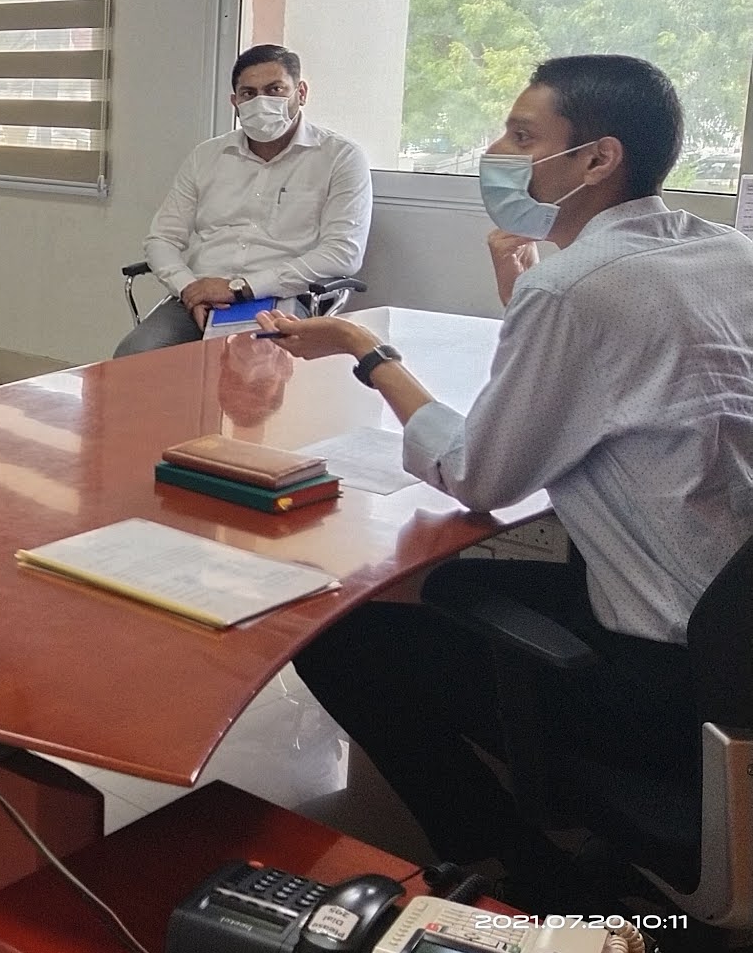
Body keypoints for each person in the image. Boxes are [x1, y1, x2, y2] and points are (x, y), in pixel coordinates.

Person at [257, 54, 753, 905]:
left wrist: (365, 352)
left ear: (597, 159)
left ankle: (524, 876)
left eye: (523, 136)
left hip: (667, 685)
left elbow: (477, 472)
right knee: (454, 582)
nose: (497, 151)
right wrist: (524, 295)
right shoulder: (726, 252)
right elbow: (628, 379)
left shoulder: (573, 289)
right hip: (731, 634)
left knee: (340, 634)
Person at [115, 44, 373, 357]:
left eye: (275, 89)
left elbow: (343, 253)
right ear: (235, 102)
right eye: (249, 93)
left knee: (254, 368)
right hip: (199, 297)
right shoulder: (206, 157)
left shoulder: (340, 157)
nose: (261, 101)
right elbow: (161, 239)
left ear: (301, 93)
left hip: (282, 299)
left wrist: (241, 288)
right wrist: (188, 288)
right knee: (133, 356)